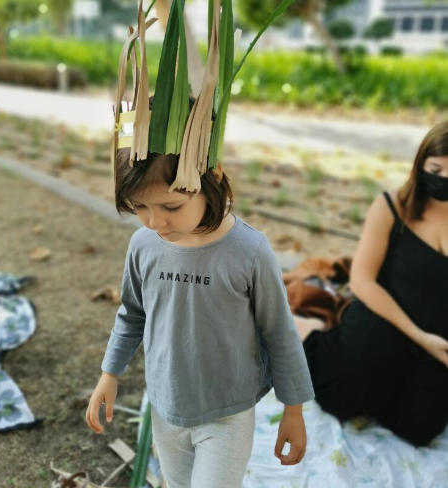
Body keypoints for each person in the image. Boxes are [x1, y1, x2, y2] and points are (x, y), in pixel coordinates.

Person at [86, 2, 314, 487]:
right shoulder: (143, 246)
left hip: (227, 414)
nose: (156, 224)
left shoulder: (249, 252)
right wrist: (110, 373)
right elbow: (132, 313)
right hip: (164, 406)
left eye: (170, 207)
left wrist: (293, 409)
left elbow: (279, 332)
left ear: (209, 175)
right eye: (141, 210)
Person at [295, 122, 448, 447]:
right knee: (342, 398)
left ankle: (386, 383)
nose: (444, 179)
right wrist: (419, 337)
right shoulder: (393, 207)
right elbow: (362, 280)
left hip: (437, 338)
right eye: (436, 169)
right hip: (384, 320)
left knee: (419, 429)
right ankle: (310, 329)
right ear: (421, 164)